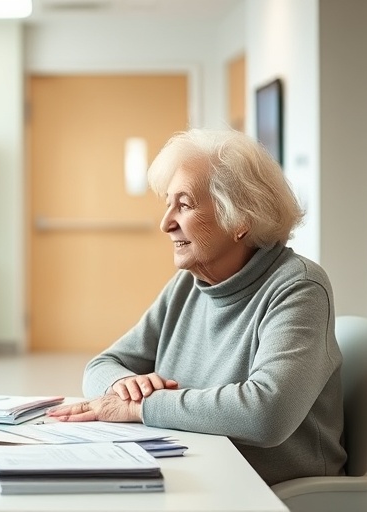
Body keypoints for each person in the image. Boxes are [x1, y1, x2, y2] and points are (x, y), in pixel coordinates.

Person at [46, 128, 347, 485]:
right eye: (167, 204)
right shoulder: (189, 285)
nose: (165, 223)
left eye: (185, 205)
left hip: (269, 490)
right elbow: (102, 366)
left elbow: (266, 414)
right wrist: (124, 386)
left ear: (239, 219)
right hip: (194, 470)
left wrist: (142, 407)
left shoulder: (298, 288)